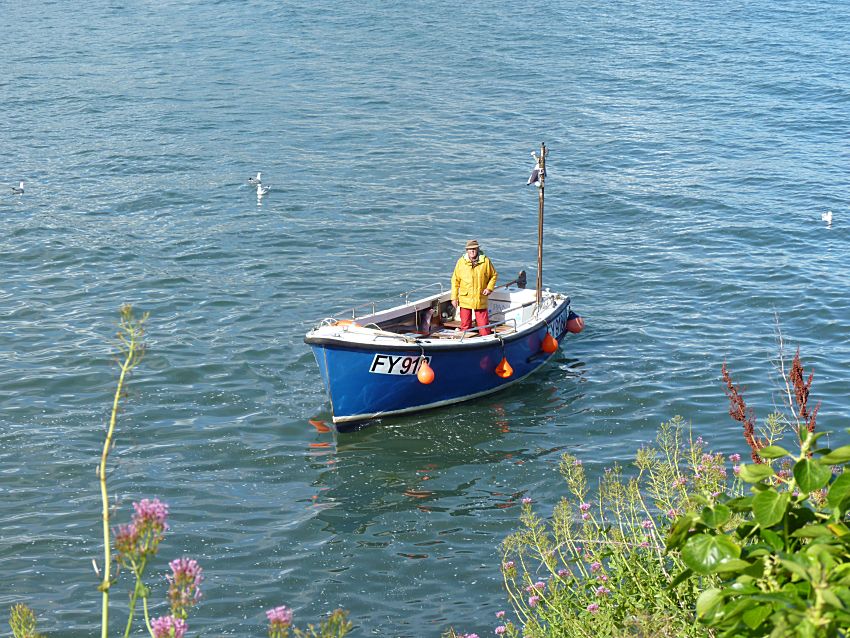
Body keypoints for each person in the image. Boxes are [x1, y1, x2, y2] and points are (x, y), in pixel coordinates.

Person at [451, 239, 498, 336]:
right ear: (466, 250)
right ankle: (465, 344)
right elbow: (455, 280)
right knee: (465, 326)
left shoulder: (485, 261)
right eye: (470, 249)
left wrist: (489, 288)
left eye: (474, 249)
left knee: (484, 327)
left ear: (478, 249)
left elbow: (494, 275)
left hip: (480, 298)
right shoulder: (461, 262)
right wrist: (454, 298)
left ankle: (486, 343)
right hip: (465, 299)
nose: (472, 251)